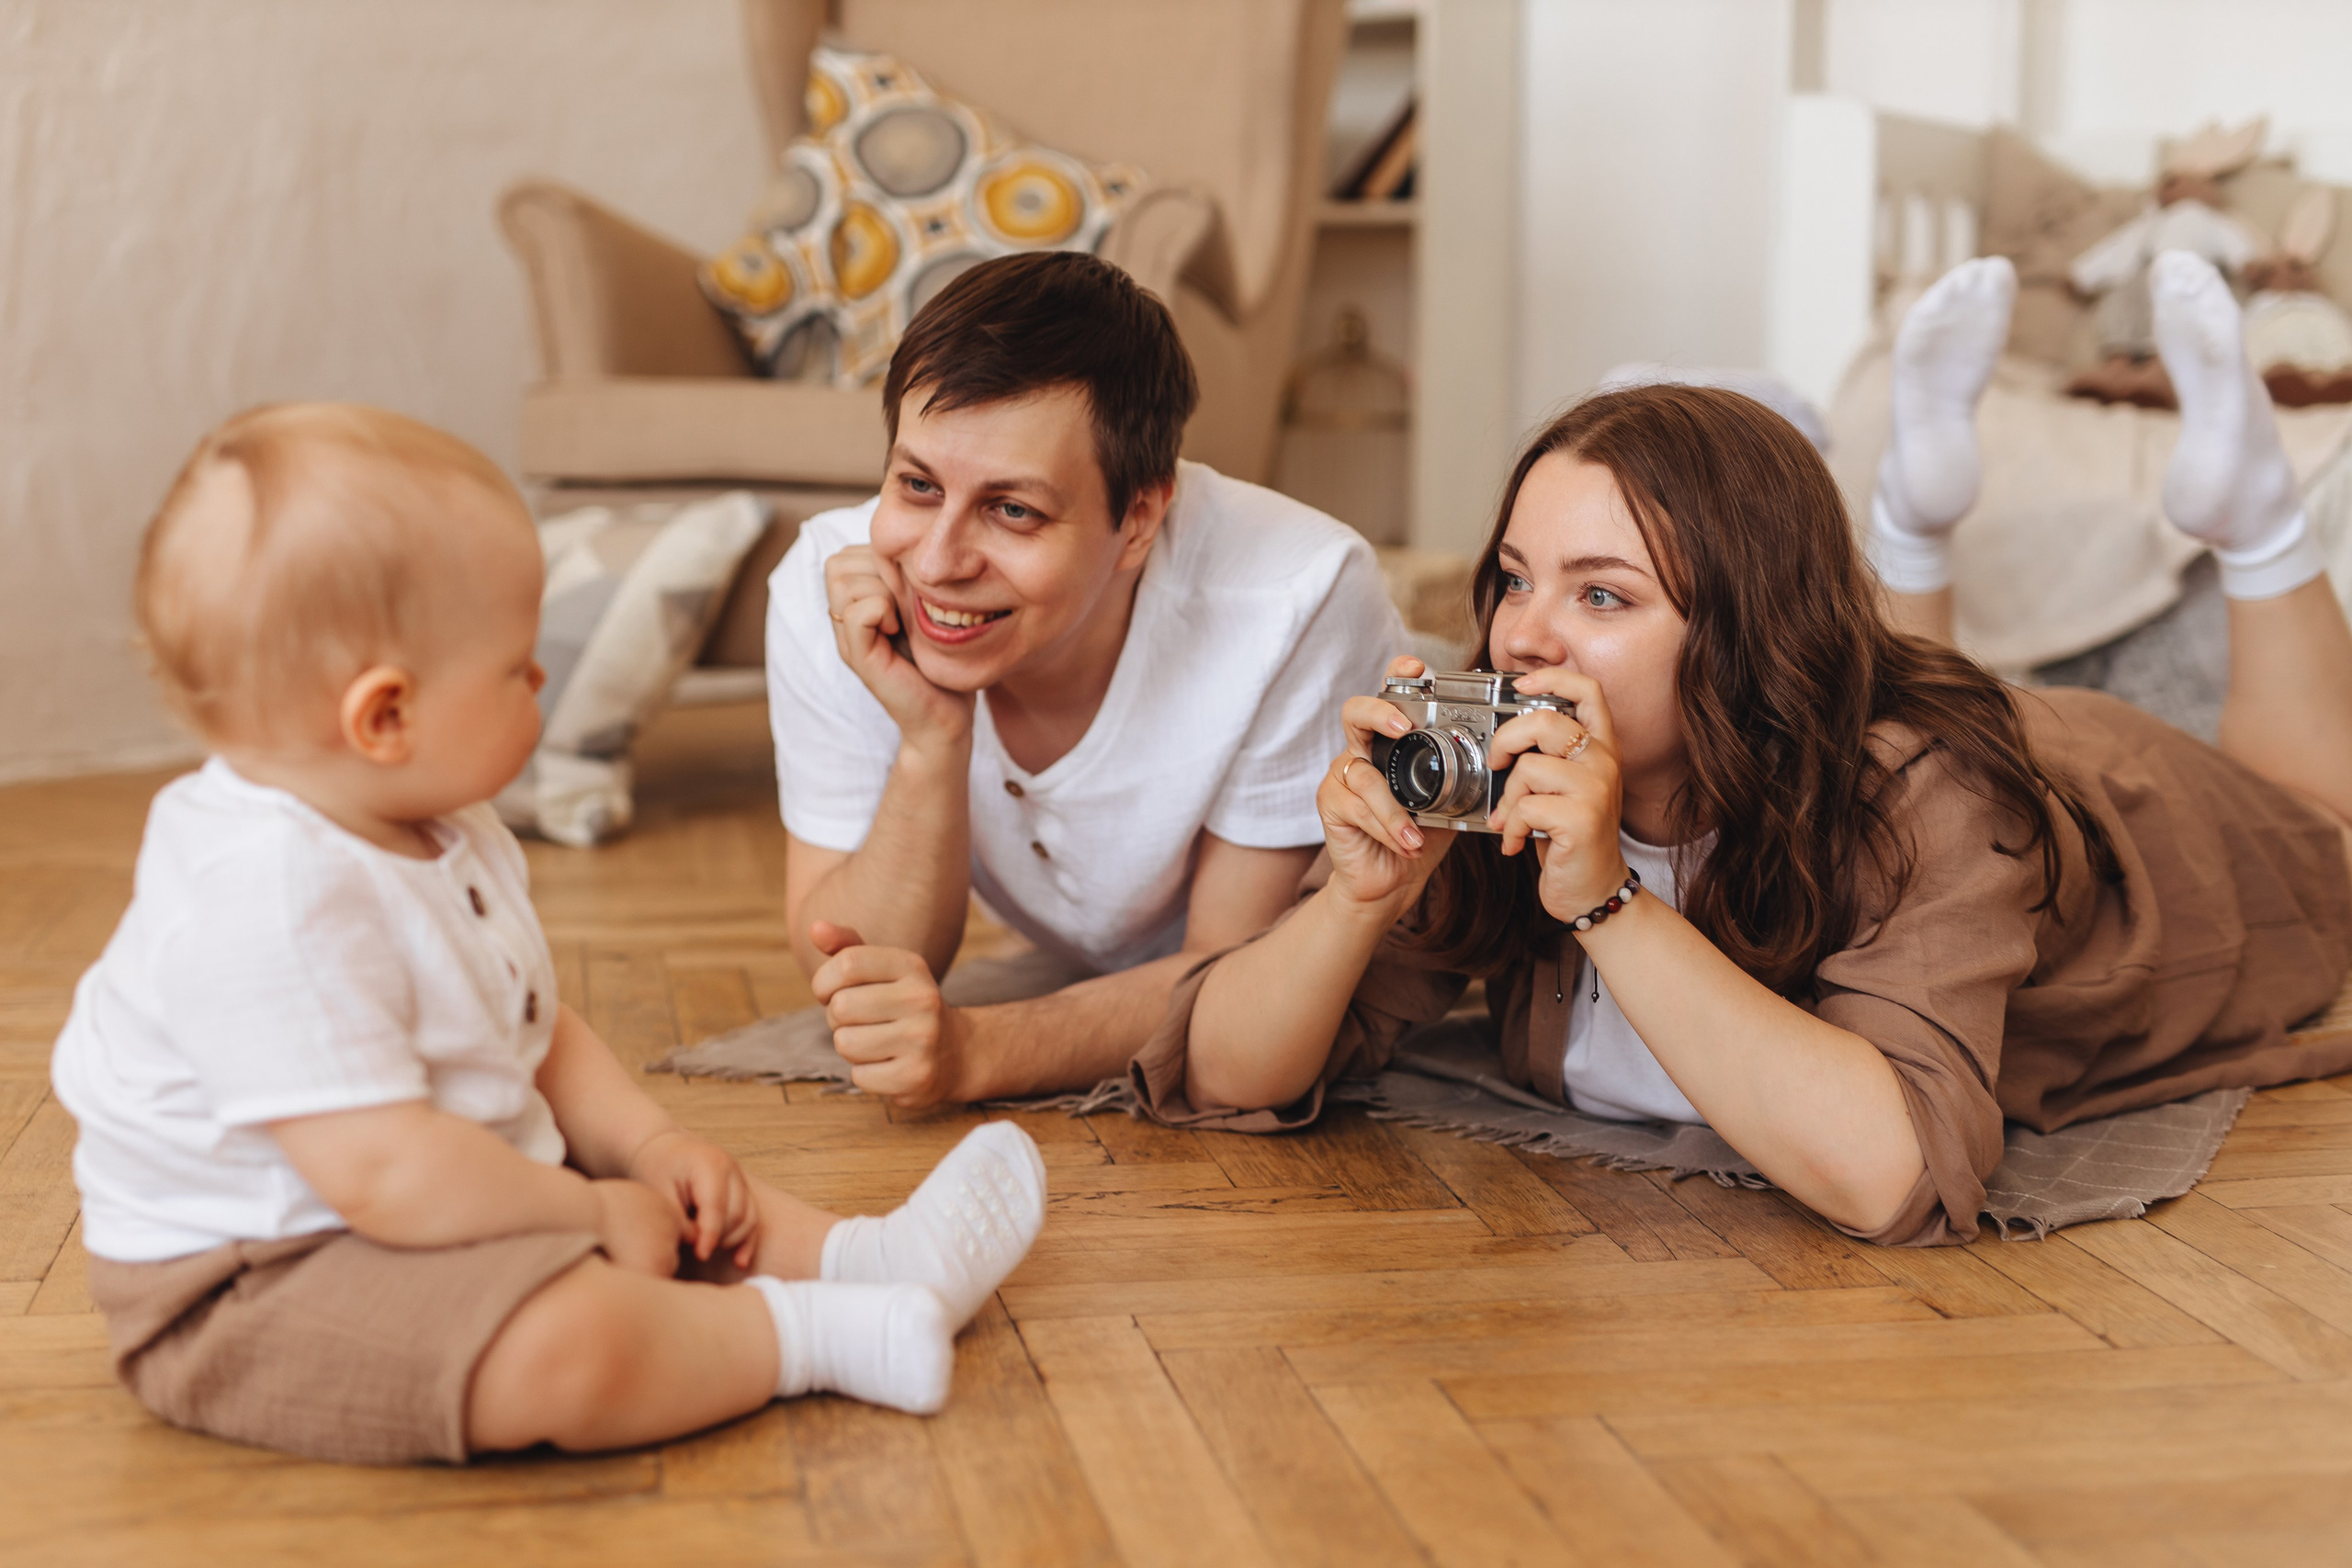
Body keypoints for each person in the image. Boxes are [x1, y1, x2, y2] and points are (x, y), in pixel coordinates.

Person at [1132, 251, 2352, 1247]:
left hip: (2136, 816)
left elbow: (1890, 1176)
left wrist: (1608, 898)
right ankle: (1915, 523)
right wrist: (1357, 897)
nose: (1523, 636)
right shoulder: (1497, 763)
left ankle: (2252, 515)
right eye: (1512, 576)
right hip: (1891, 718)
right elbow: (1227, 1071)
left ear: (1738, 632)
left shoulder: (1927, 799)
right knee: (1918, 690)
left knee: (2328, 827)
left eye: (1602, 597)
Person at [52, 404, 1048, 1465]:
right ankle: (814, 1337)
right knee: (563, 1345)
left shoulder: (437, 818)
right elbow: (383, 1173)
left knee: (690, 1199)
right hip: (257, 1275)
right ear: (385, 718)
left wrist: (649, 1152)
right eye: (518, 666)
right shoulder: (264, 899)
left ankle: (870, 1258)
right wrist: (580, 1218)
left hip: (446, 1179)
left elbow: (533, 1025)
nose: (540, 684)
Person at [767, 252, 1405, 1108]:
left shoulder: (1297, 597)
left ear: (1138, 517)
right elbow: (848, 964)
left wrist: (983, 1047)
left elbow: (1227, 989)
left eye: (1012, 509)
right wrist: (931, 735)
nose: (936, 561)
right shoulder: (833, 584)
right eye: (917, 485)